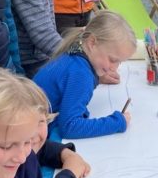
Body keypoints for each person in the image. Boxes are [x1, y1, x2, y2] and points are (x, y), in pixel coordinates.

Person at [34, 11, 136, 139]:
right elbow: (70, 127)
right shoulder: (81, 74)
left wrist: (98, 77)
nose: (114, 68)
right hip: (34, 137)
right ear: (92, 42)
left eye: (119, 62)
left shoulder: (75, 52)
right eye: (112, 60)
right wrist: (117, 122)